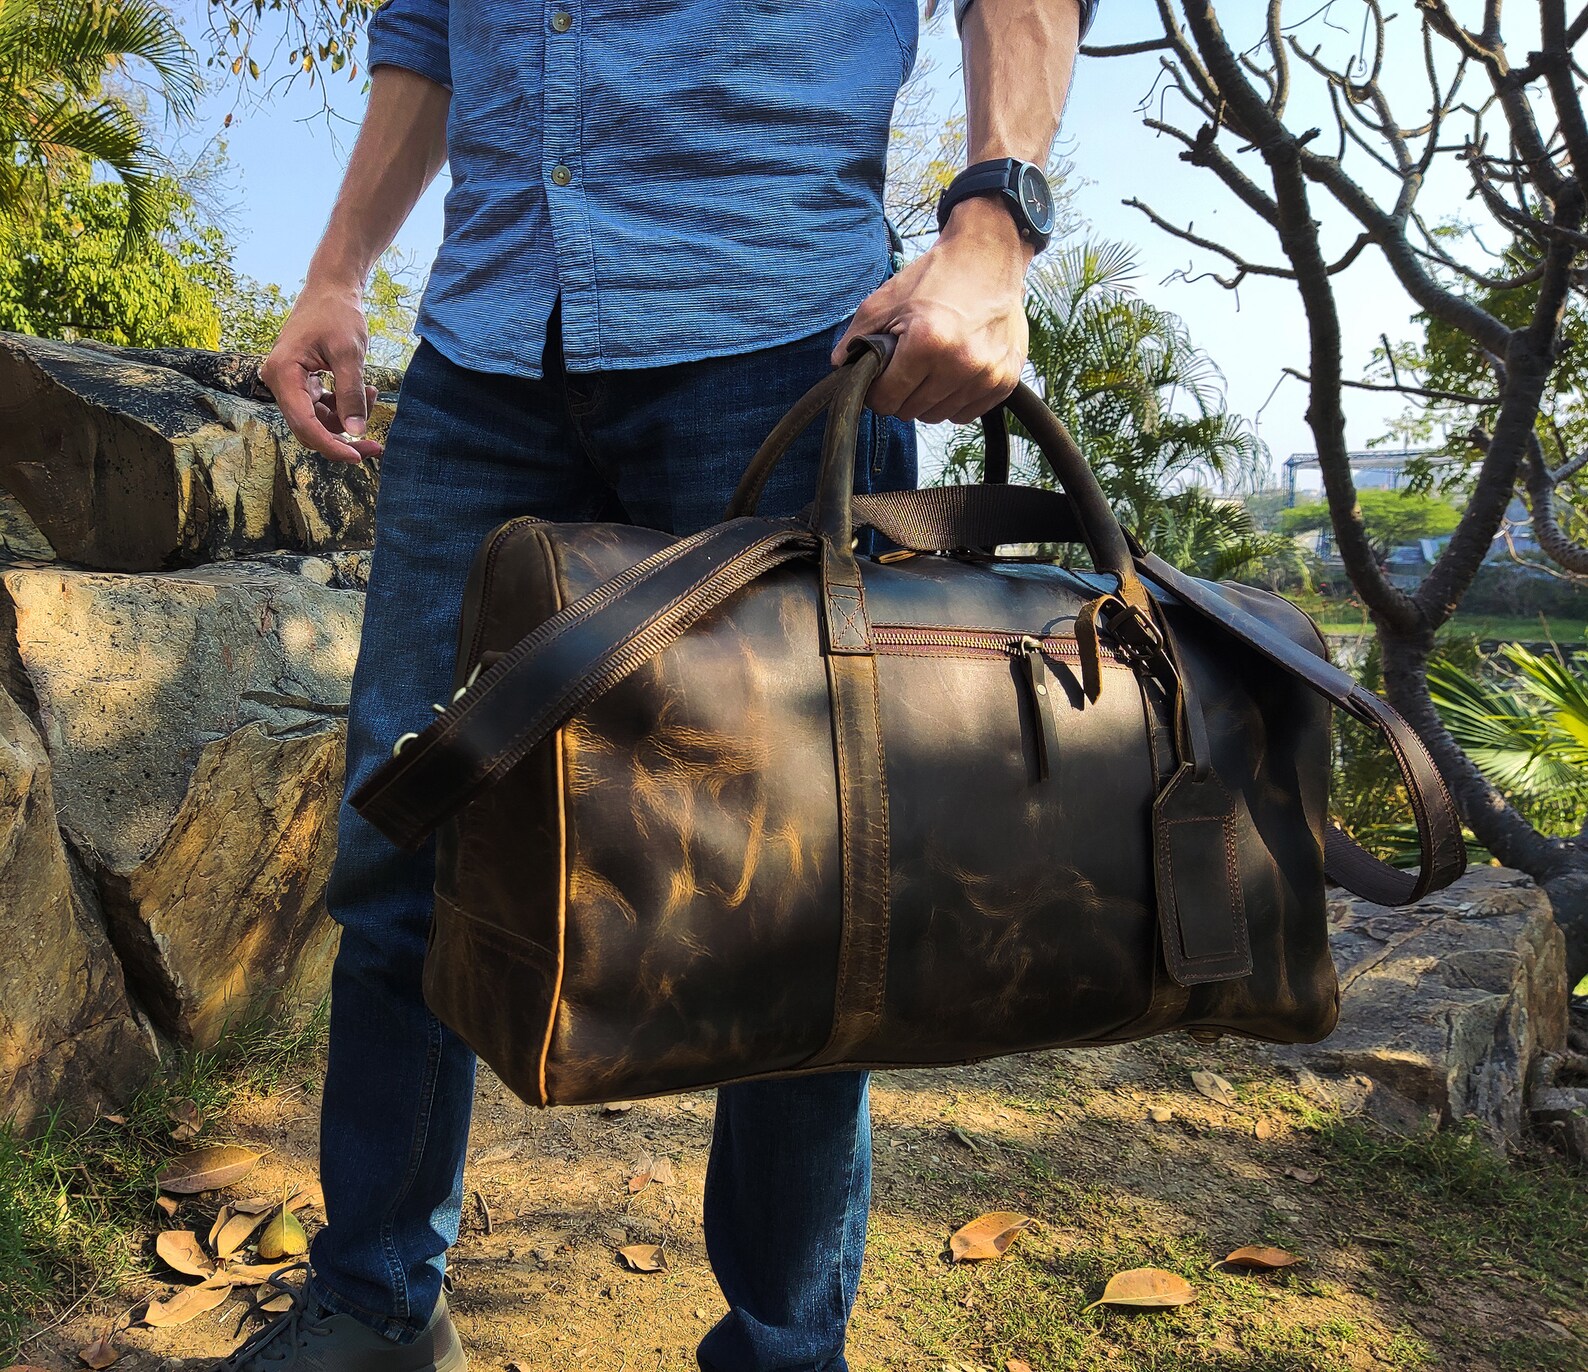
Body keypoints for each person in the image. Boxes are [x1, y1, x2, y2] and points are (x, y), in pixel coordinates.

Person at [242, 0, 1096, 1368]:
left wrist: (993, 224)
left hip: (780, 338)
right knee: (402, 839)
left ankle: (780, 1345)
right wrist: (337, 270)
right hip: (485, 351)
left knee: (806, 893)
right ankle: (375, 1300)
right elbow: (426, 29)